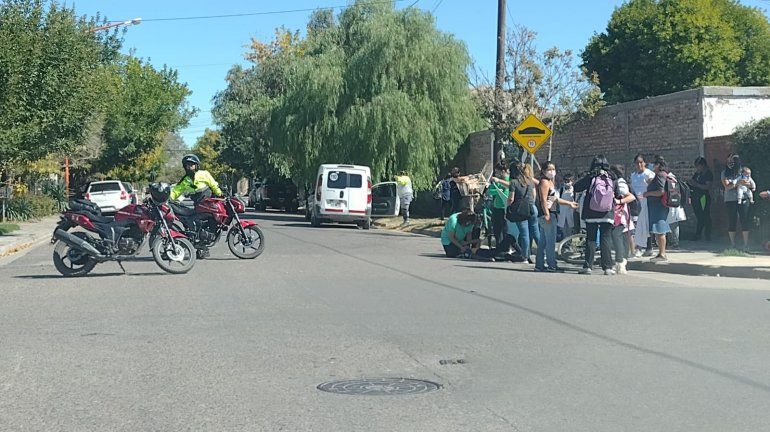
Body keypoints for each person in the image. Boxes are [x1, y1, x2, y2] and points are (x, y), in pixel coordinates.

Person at [574, 155, 616, 275]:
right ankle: (607, 267)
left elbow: (576, 187)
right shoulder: (612, 177)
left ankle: (588, 266)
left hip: (591, 212)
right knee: (606, 239)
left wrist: (590, 175)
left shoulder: (591, 176)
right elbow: (617, 193)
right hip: (607, 213)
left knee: (591, 239)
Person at [535, 161, 578, 272]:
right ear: (544, 171)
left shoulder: (550, 183)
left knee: (543, 241)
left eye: (553, 169)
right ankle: (551, 265)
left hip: (552, 213)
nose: (552, 172)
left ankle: (539, 265)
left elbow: (556, 199)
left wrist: (569, 203)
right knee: (550, 242)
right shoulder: (544, 182)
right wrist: (547, 214)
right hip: (548, 214)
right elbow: (543, 200)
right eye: (549, 169)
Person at [506, 161, 540, 264]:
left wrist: (508, 206)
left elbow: (511, 198)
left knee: (524, 234)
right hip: (532, 208)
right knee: (535, 232)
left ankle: (525, 257)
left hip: (520, 211)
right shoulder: (530, 181)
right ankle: (544, 253)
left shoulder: (513, 182)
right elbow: (534, 195)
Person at [642, 155, 671, 262]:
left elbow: (661, 191)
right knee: (659, 231)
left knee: (660, 230)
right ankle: (660, 253)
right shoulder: (662, 175)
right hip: (659, 206)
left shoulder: (659, 175)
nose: (651, 166)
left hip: (659, 206)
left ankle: (662, 253)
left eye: (653, 164)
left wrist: (647, 193)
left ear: (658, 165)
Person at [721, 153, 752, 250]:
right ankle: (732, 244)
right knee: (732, 221)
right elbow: (727, 186)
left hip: (744, 198)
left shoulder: (743, 171)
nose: (732, 163)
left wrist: (745, 183)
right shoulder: (724, 172)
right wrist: (738, 183)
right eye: (730, 161)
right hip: (730, 199)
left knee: (744, 220)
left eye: (735, 160)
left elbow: (750, 184)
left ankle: (746, 244)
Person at [609, 165, 636, 274]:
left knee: (617, 236)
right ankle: (622, 261)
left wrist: (618, 201)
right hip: (617, 214)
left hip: (620, 215)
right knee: (623, 238)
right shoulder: (617, 182)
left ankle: (620, 262)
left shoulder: (620, 182)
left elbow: (631, 197)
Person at [631, 154, 655, 257]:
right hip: (637, 203)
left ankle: (648, 247)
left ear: (645, 163)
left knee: (645, 225)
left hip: (647, 202)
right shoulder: (633, 175)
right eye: (637, 163)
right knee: (638, 226)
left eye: (641, 162)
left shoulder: (649, 174)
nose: (639, 165)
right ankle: (639, 247)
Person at [688, 157, 713, 241]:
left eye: (698, 166)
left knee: (705, 215)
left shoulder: (708, 174)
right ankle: (698, 234)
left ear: (703, 165)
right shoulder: (697, 174)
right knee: (699, 216)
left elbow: (708, 186)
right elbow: (692, 181)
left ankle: (707, 235)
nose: (697, 168)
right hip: (695, 196)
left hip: (703, 197)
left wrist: (697, 185)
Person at [489, 164, 511, 251]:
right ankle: (498, 247)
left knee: (505, 229)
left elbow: (509, 189)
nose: (496, 174)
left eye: (498, 172)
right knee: (497, 229)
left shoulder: (509, 180)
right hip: (497, 206)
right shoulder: (497, 181)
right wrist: (497, 191)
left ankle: (506, 248)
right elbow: (490, 191)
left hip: (505, 207)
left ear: (503, 171)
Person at [557, 174, 576, 239]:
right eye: (565, 181)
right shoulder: (560, 190)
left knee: (570, 231)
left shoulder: (574, 191)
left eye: (568, 181)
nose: (566, 183)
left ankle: (569, 244)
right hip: (562, 214)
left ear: (572, 181)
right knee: (564, 231)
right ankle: (565, 245)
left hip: (571, 214)